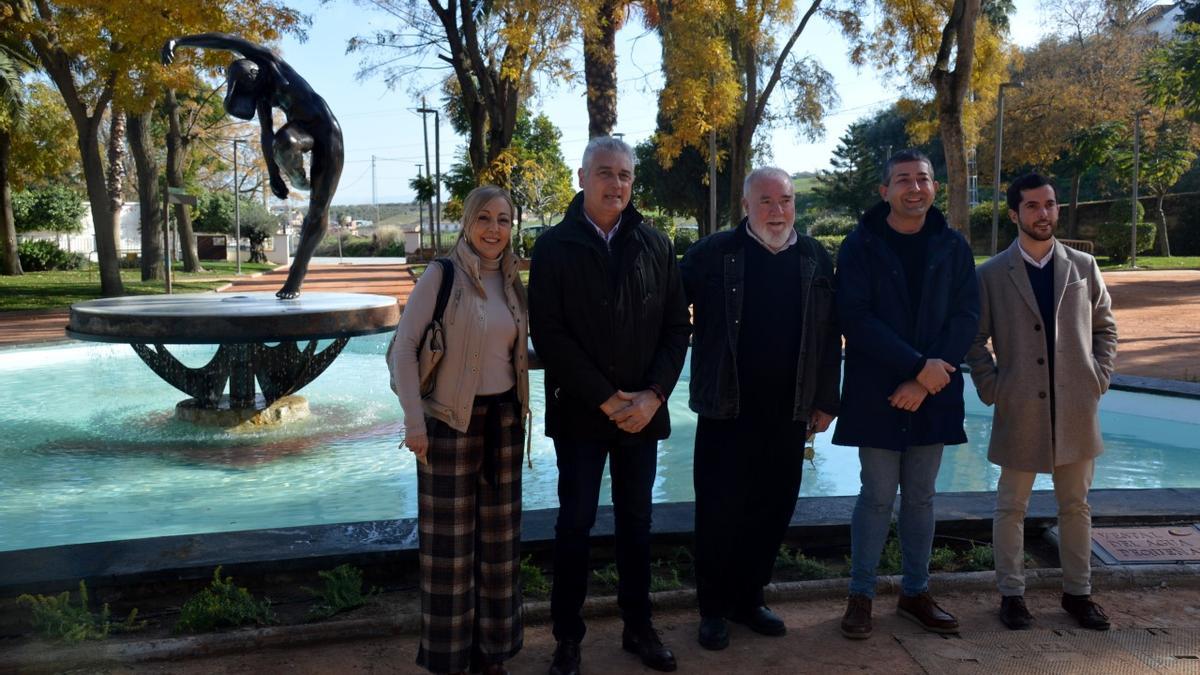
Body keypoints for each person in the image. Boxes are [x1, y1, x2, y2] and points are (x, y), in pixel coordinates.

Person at [528, 136, 690, 674]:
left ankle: (638, 628)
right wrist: (604, 397)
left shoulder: (656, 243)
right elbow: (548, 334)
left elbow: (675, 329)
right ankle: (567, 640)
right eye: (605, 172)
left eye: (624, 174)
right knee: (574, 525)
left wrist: (654, 395)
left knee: (636, 525)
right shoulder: (552, 247)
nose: (615, 183)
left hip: (643, 415)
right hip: (580, 416)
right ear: (581, 177)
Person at [679, 167, 841, 650]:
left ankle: (749, 599)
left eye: (786, 200)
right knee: (718, 512)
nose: (777, 210)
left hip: (789, 411)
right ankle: (712, 609)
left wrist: (826, 399)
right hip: (725, 410)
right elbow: (665, 314)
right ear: (746, 206)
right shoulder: (712, 255)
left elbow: (831, 334)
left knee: (772, 511)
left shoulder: (814, 257)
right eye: (766, 201)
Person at [834, 150, 980, 640]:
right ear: (885, 191)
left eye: (923, 179)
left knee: (920, 498)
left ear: (935, 187)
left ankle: (916, 593)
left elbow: (966, 316)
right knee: (875, 497)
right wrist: (916, 367)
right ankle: (861, 597)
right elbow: (855, 317)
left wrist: (925, 379)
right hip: (878, 392)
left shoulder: (954, 246)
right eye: (903, 180)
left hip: (932, 390)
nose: (914, 188)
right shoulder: (860, 245)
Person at [966, 173, 1118, 631]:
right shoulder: (990, 274)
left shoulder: (1083, 266)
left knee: (1076, 506)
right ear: (1015, 214)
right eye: (1032, 206)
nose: (1044, 214)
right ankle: (1012, 595)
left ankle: (1079, 593)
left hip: (1076, 408)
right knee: (1011, 506)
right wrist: (993, 387)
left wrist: (1099, 376)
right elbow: (974, 341)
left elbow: (1105, 328)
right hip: (1020, 409)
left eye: (1049, 204)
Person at [389, 186, 530, 675]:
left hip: (504, 424)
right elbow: (403, 349)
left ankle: (491, 654)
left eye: (505, 220)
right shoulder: (441, 275)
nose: (494, 229)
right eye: (485, 218)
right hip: (449, 425)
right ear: (468, 222)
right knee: (449, 553)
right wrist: (413, 421)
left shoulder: (512, 282)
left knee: (499, 550)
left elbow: (510, 354)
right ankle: (451, 658)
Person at [162, 33, 342, 299]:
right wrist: (273, 175)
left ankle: (296, 276)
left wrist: (179, 41)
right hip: (300, 132)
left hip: (328, 133)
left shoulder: (269, 62)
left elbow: (226, 40)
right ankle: (298, 177)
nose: (259, 99)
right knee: (284, 141)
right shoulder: (261, 97)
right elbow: (266, 135)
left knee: (318, 211)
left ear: (254, 75)